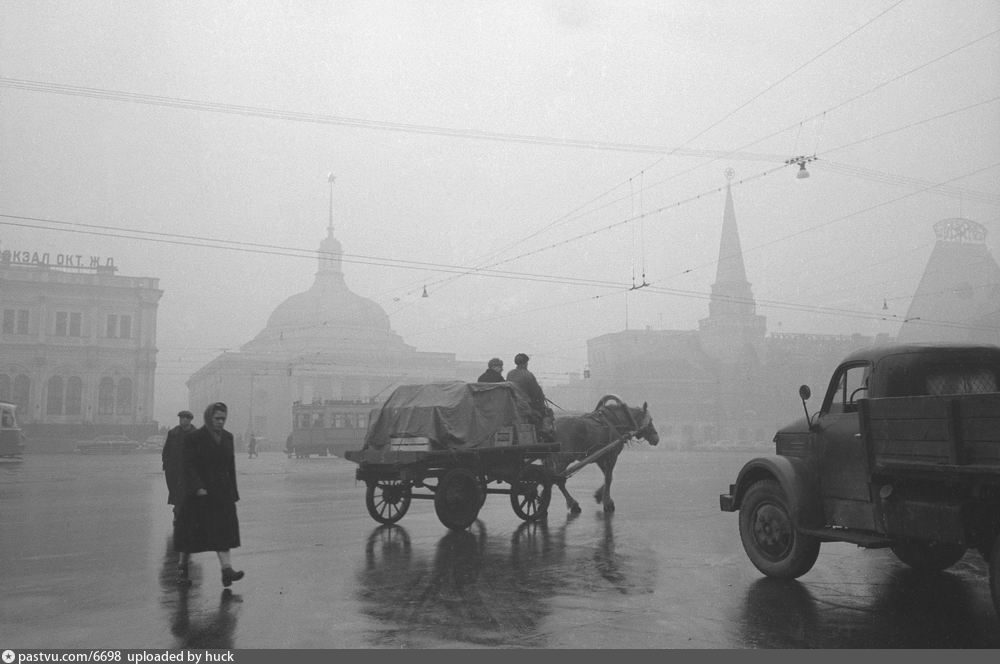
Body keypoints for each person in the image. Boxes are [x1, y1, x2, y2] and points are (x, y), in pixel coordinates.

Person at [175, 402, 245, 588]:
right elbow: (187, 465)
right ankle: (182, 569)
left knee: (224, 532)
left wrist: (233, 492)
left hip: (222, 493)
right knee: (190, 534)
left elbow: (230, 467)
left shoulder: (228, 438)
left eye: (223, 418)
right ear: (208, 418)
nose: (221, 422)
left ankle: (227, 571)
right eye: (217, 419)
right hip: (199, 494)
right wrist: (197, 487)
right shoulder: (194, 438)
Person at [162, 410, 196, 583]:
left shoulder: (195, 434)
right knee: (175, 492)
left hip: (189, 471)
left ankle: (181, 513)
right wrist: (166, 464)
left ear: (190, 420)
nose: (183, 420)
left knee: (185, 495)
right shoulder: (173, 433)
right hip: (174, 469)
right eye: (181, 418)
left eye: (185, 418)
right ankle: (177, 510)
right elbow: (166, 449)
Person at [505, 353, 553, 439]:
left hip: (512, 404)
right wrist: (541, 401)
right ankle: (544, 433)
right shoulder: (528, 375)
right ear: (525, 363)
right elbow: (536, 393)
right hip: (525, 406)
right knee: (547, 413)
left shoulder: (510, 374)